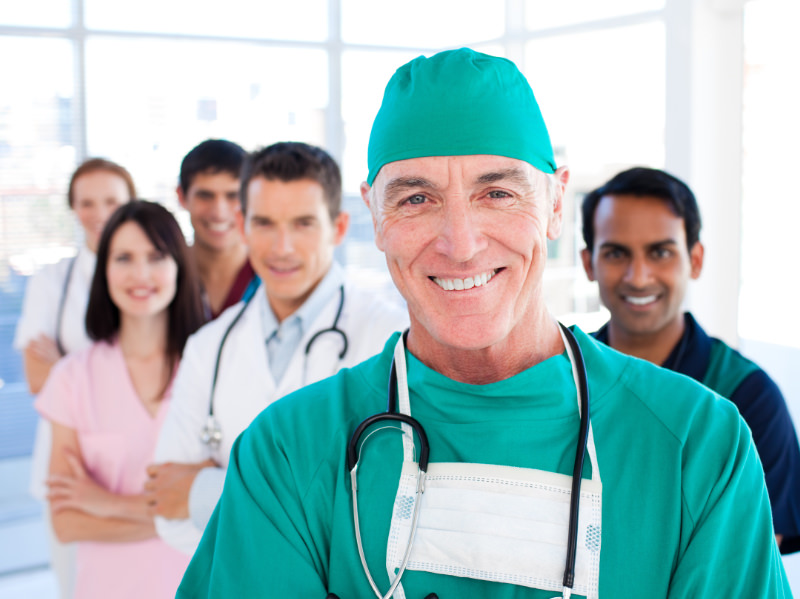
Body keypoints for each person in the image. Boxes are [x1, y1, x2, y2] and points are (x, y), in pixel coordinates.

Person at [178, 49, 790, 598]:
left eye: (497, 193)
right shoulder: (288, 453)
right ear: (374, 216)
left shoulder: (696, 446)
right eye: (416, 199)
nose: (461, 245)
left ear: (554, 204)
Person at [146, 141, 409, 555]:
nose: (281, 247)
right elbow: (167, 511)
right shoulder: (208, 347)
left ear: (338, 228)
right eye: (265, 223)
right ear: (242, 224)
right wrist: (314, 504)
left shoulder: (390, 338)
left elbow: (388, 508)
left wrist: (202, 490)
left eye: (303, 223)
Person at [580, 166, 800, 553]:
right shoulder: (563, 377)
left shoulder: (749, 398)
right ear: (588, 263)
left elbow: (750, 556)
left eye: (660, 252)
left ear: (695, 260)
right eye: (616, 253)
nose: (638, 277)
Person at [34, 200, 205, 599]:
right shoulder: (73, 378)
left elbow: (228, 503)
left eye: (156, 257)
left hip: (199, 584)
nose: (140, 274)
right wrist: (182, 510)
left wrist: (102, 502)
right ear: (104, 270)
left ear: (179, 266)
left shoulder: (210, 366)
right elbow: (67, 523)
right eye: (124, 257)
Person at [14, 157, 135, 598]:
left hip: (139, 458)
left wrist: (67, 365)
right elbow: (34, 377)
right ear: (72, 208)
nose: (99, 213)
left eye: (110, 201)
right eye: (86, 202)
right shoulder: (52, 280)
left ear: (131, 204)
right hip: (66, 460)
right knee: (75, 583)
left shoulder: (153, 275)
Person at [177, 138, 258, 320]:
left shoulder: (271, 277)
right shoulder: (165, 275)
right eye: (205, 195)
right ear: (181, 196)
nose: (219, 212)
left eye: (232, 196)